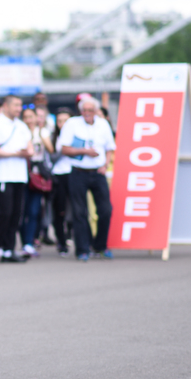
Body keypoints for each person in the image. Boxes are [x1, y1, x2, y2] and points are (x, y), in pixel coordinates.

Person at [59, 97, 115, 261]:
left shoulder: (103, 124)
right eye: (84, 110)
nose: (87, 113)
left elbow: (110, 147)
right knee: (79, 212)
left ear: (96, 111)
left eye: (90, 110)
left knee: (106, 210)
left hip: (98, 172)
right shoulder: (72, 124)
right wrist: (84, 151)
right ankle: (82, 249)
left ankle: (100, 245)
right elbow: (64, 149)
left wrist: (105, 164)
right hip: (79, 172)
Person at [0, 95, 33, 264]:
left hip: (19, 175)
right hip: (2, 176)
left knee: (16, 215)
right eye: (16, 105)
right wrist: (16, 153)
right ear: (5, 106)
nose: (19, 109)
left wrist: (27, 152)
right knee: (4, 214)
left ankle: (8, 250)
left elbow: (30, 148)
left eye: (20, 105)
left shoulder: (21, 126)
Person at [20, 105, 53, 257]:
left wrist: (41, 138)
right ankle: (24, 241)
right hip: (22, 174)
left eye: (30, 117)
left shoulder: (42, 132)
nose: (28, 120)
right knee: (22, 211)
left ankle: (29, 242)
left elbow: (51, 149)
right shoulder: (20, 130)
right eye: (25, 117)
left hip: (37, 176)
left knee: (34, 211)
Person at [50, 108, 73, 256]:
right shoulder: (53, 137)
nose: (63, 124)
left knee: (77, 209)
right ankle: (61, 241)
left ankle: (74, 237)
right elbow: (50, 157)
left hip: (74, 174)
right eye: (60, 121)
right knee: (59, 210)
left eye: (66, 120)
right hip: (58, 176)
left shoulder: (78, 134)